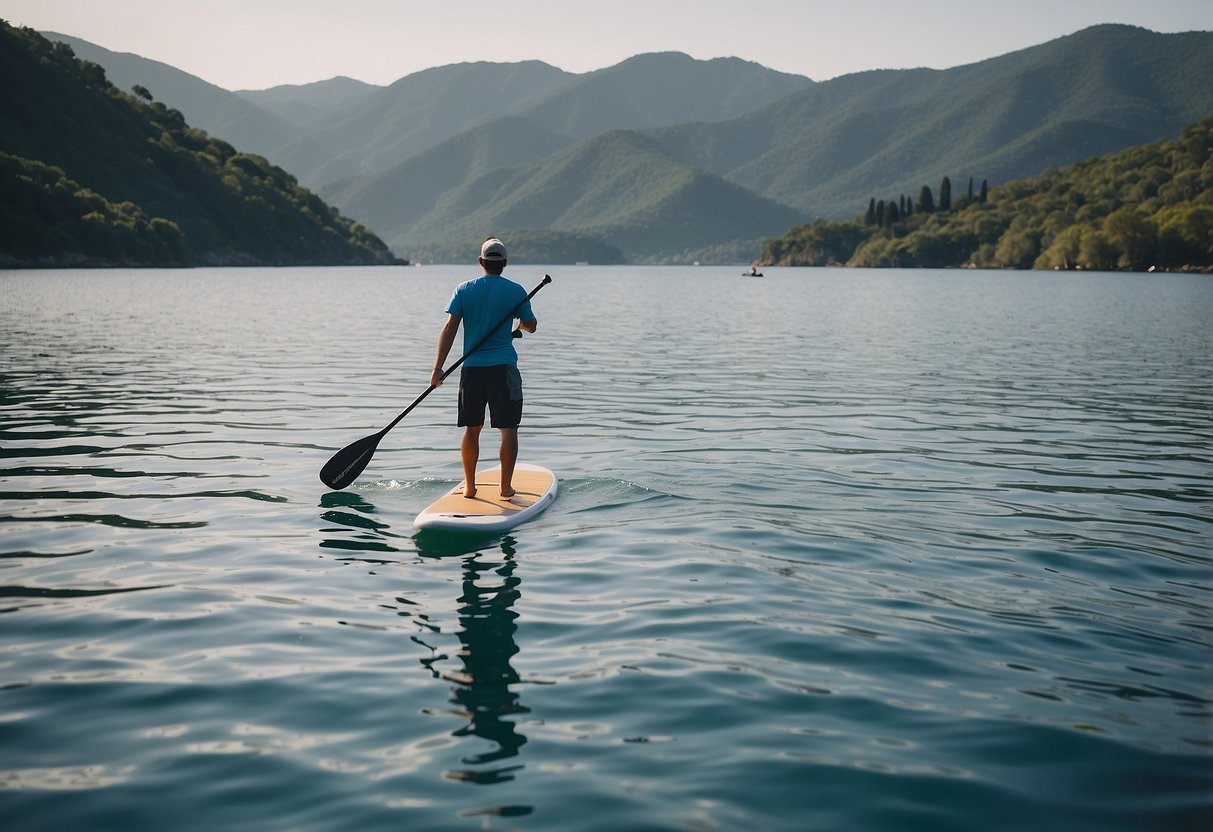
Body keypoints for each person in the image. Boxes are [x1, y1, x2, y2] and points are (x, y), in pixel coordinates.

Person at [431, 237, 538, 499]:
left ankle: (469, 486)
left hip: (472, 369)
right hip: (503, 368)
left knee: (472, 428)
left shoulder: (464, 290)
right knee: (508, 428)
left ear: (481, 262)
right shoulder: (515, 291)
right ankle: (505, 487)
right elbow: (531, 325)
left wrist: (438, 369)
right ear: (505, 263)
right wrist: (518, 326)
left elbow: (450, 328)